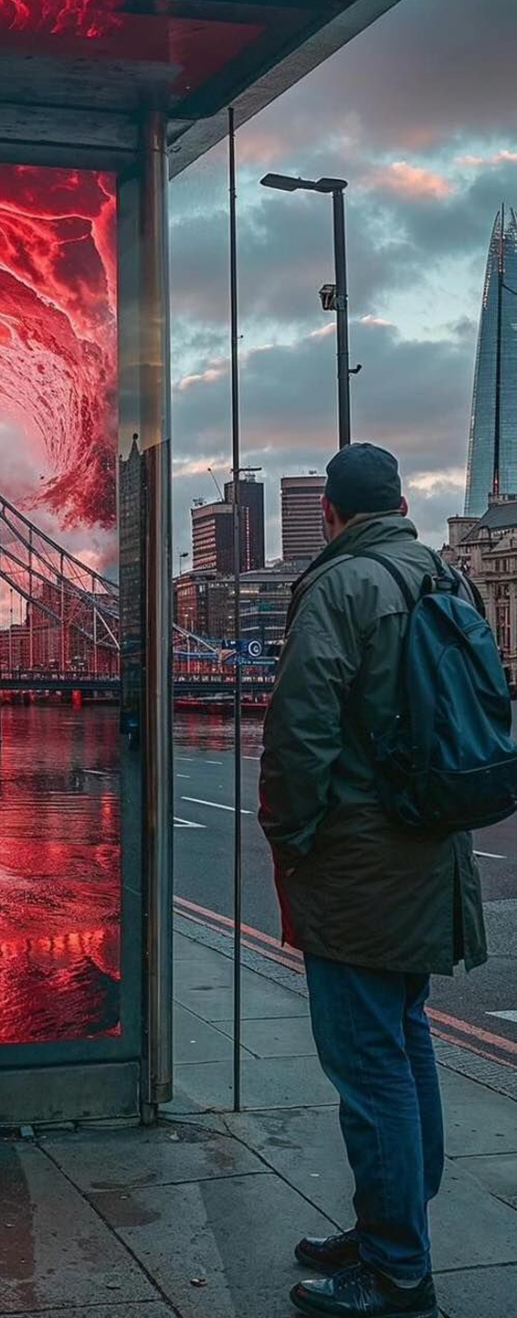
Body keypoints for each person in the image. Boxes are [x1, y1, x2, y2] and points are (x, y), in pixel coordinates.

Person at [259, 444, 487, 1318]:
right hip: (433, 850)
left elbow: (300, 731)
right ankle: (393, 1222)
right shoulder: (446, 576)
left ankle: (397, 1270)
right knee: (405, 1035)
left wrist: (290, 838)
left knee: (368, 1065)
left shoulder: (339, 586)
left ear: (329, 511)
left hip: (359, 864)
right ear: (398, 503)